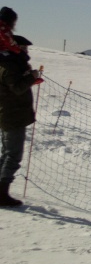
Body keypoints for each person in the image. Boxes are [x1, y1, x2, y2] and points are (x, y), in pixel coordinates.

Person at [0, 34, 41, 207]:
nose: (26, 51)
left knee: (7, 152)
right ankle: (2, 193)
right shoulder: (10, 65)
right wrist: (31, 77)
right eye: (24, 48)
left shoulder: (8, 63)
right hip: (13, 114)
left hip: (9, 113)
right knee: (13, 154)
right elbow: (16, 88)